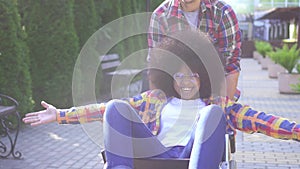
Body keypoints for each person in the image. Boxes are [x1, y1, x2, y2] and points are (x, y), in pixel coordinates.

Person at [23, 31, 299, 169]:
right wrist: (60, 115)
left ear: (204, 74)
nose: (186, 82)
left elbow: (261, 120)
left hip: (193, 158)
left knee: (212, 114)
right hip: (153, 156)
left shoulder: (218, 104)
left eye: (193, 75)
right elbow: (105, 110)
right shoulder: (156, 99)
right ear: (169, 77)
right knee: (117, 108)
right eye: (178, 76)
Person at [146, 0, 242, 100]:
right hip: (174, 99)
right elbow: (155, 68)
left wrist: (221, 109)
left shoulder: (222, 13)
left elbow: (231, 66)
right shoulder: (160, 16)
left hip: (215, 96)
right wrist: (160, 109)